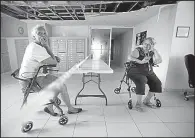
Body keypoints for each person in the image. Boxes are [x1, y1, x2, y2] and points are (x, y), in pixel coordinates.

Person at [19, 25, 82, 116]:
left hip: (31, 77)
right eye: (39, 33)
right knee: (62, 86)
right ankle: (70, 109)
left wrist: (52, 57)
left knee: (58, 82)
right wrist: (47, 46)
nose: (43, 35)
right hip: (31, 81)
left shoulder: (35, 46)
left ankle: (50, 107)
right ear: (33, 37)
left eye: (44, 33)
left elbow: (50, 60)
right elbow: (54, 62)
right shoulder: (36, 48)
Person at [127, 37, 162, 112]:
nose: (146, 46)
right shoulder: (138, 50)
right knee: (142, 80)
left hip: (147, 71)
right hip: (135, 71)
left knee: (157, 83)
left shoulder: (152, 52)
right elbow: (129, 57)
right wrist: (140, 61)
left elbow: (159, 60)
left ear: (152, 45)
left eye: (149, 44)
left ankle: (146, 100)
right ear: (142, 44)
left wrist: (154, 51)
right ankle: (138, 104)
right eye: (145, 43)